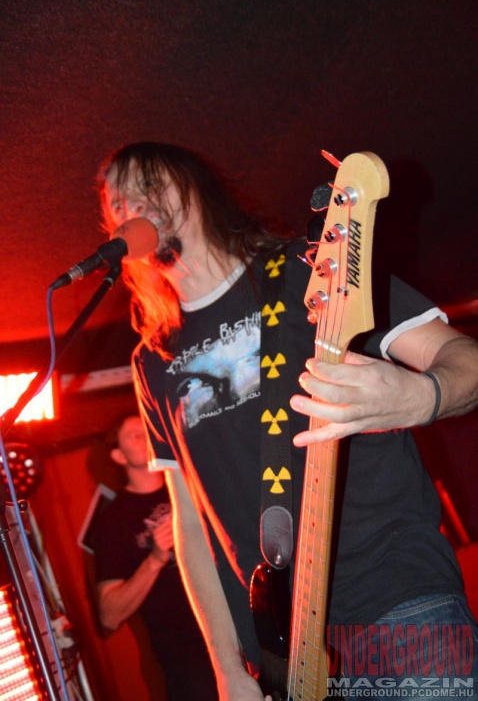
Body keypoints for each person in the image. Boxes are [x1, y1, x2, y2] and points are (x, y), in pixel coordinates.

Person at [96, 141, 478, 700]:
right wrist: (227, 668)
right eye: (119, 204)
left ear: (198, 189)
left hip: (395, 604)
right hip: (282, 654)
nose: (133, 208)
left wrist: (421, 396)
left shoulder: (311, 270)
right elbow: (192, 525)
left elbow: (465, 359)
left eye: (149, 187)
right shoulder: (152, 359)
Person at [92, 413, 218, 700]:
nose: (145, 438)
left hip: (236, 631)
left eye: (147, 430)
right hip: (187, 658)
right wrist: (156, 559)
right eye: (134, 435)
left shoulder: (192, 485)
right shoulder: (112, 521)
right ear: (119, 455)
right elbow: (109, 615)